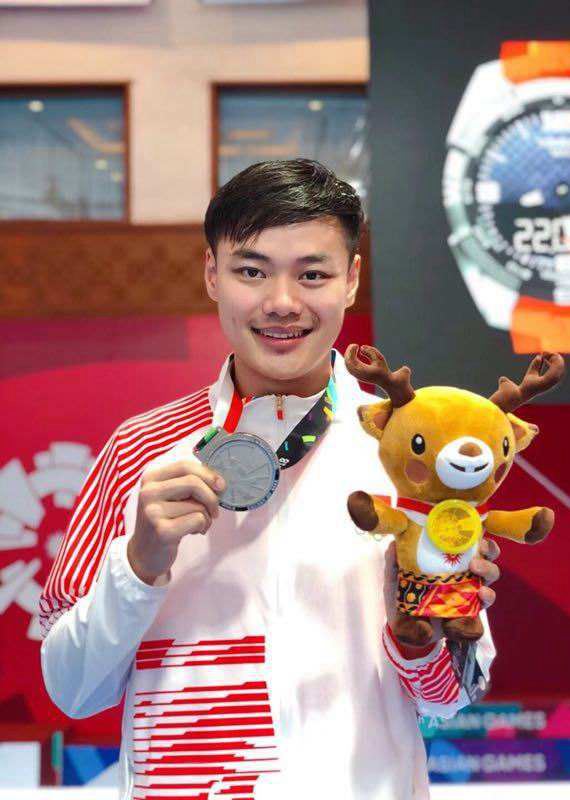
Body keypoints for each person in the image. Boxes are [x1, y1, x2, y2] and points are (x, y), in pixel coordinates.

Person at [40, 159, 499, 800]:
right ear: (212, 274)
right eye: (251, 271)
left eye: (312, 274)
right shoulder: (137, 450)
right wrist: (137, 566)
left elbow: (450, 699)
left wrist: (417, 633)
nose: (282, 303)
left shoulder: (410, 455)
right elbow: (70, 689)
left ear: (351, 280)